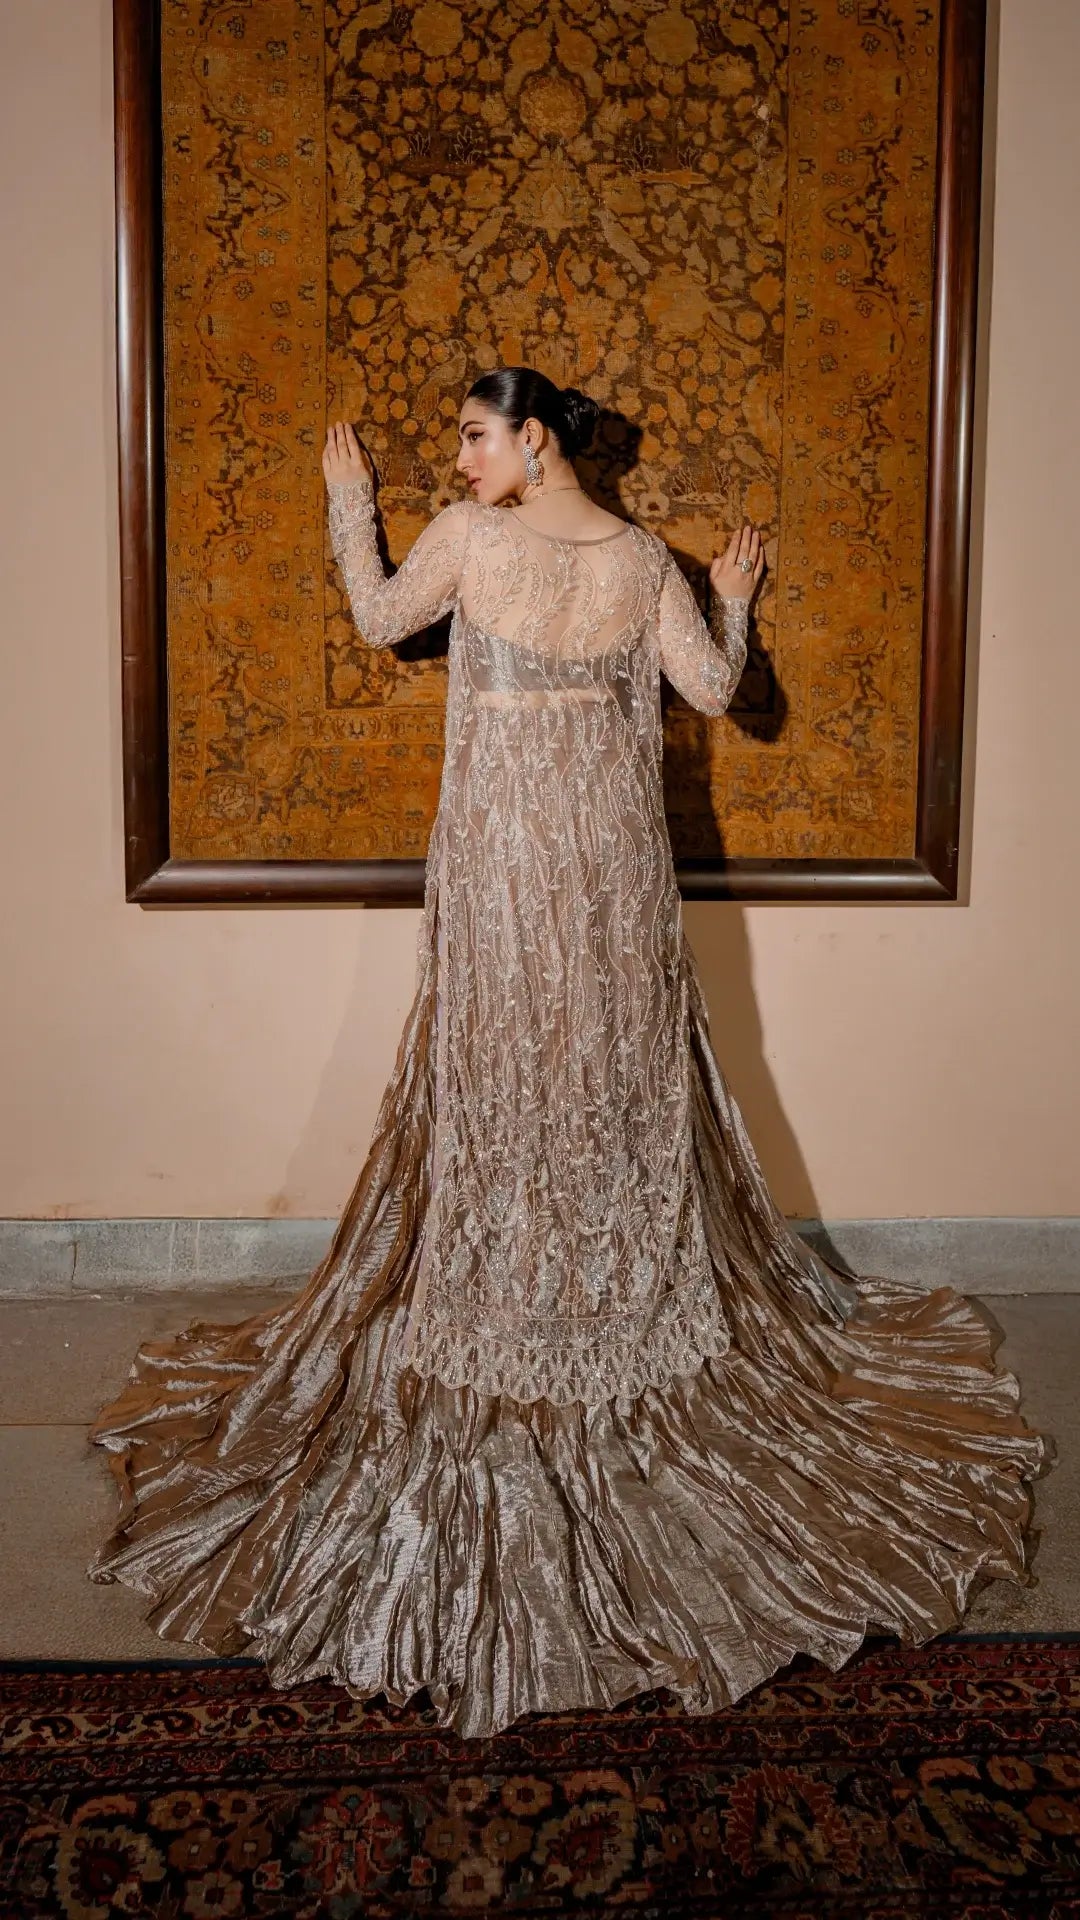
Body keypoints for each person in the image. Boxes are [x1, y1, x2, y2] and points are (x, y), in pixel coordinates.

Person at [87, 366, 1054, 1742]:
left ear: (535, 440)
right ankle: (571, 1298)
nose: (463, 463)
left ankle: (541, 1304)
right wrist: (731, 594)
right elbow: (716, 689)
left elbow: (376, 621)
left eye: (476, 439)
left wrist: (348, 509)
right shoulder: (640, 561)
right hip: (599, 867)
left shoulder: (473, 543)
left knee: (552, 1084)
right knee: (584, 1086)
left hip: (524, 866)